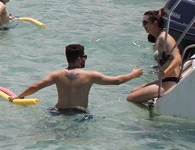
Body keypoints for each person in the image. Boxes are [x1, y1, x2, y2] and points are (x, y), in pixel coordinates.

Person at [9, 44, 143, 112]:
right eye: (84, 57)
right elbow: (117, 81)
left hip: (57, 112)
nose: (85, 59)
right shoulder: (90, 75)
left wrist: (19, 96)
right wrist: (134, 74)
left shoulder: (57, 74)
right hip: (79, 115)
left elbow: (36, 86)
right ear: (79, 59)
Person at [127, 9, 182, 104]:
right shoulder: (158, 38)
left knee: (130, 98)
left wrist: (165, 72)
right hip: (164, 80)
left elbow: (178, 58)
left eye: (145, 22)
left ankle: (149, 116)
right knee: (133, 91)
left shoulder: (163, 37)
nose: (143, 25)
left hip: (169, 82)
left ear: (155, 23)